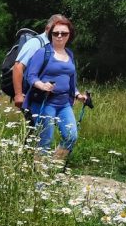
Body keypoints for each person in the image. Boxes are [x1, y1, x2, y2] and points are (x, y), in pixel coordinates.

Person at [22, 14, 88, 160]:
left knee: (71, 136)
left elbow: (71, 81)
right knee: (45, 140)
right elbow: (31, 76)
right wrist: (42, 85)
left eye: (64, 33)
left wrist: (78, 95)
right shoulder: (43, 52)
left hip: (64, 104)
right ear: (50, 34)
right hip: (45, 102)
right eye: (55, 33)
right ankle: (40, 172)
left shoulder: (70, 54)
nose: (59, 36)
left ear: (69, 35)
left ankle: (53, 165)